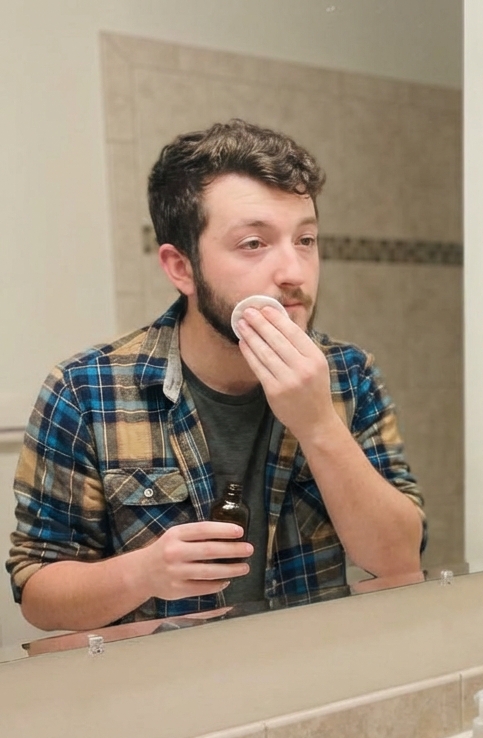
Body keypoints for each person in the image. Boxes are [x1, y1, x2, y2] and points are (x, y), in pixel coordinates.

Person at [7, 119, 424, 631]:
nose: (293, 271)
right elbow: (38, 593)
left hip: (314, 675)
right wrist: (146, 572)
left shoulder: (349, 374)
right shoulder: (85, 391)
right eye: (254, 243)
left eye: (306, 239)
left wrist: (317, 424)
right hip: (170, 695)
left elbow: (401, 561)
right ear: (180, 267)